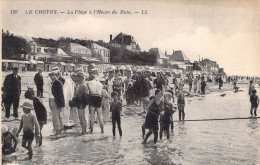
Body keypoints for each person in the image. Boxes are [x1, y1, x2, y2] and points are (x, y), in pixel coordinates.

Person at [48, 71, 65, 137]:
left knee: (55, 116)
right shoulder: (53, 83)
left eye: (52, 75)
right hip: (52, 100)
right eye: (50, 76)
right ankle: (59, 129)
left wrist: (60, 104)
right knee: (57, 116)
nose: (51, 77)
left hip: (55, 100)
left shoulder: (58, 83)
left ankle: (58, 131)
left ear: (56, 75)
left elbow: (60, 95)